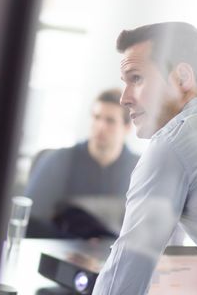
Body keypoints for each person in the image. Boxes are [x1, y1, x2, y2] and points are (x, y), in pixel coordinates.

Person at [85, 22, 197, 295]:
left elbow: (126, 272)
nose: (125, 97)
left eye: (136, 78)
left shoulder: (175, 142)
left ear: (182, 77)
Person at [25, 89, 139, 238]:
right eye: (96, 117)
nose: (100, 126)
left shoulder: (139, 169)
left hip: (113, 256)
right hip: (61, 252)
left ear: (127, 127)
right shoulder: (59, 160)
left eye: (110, 121)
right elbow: (31, 220)